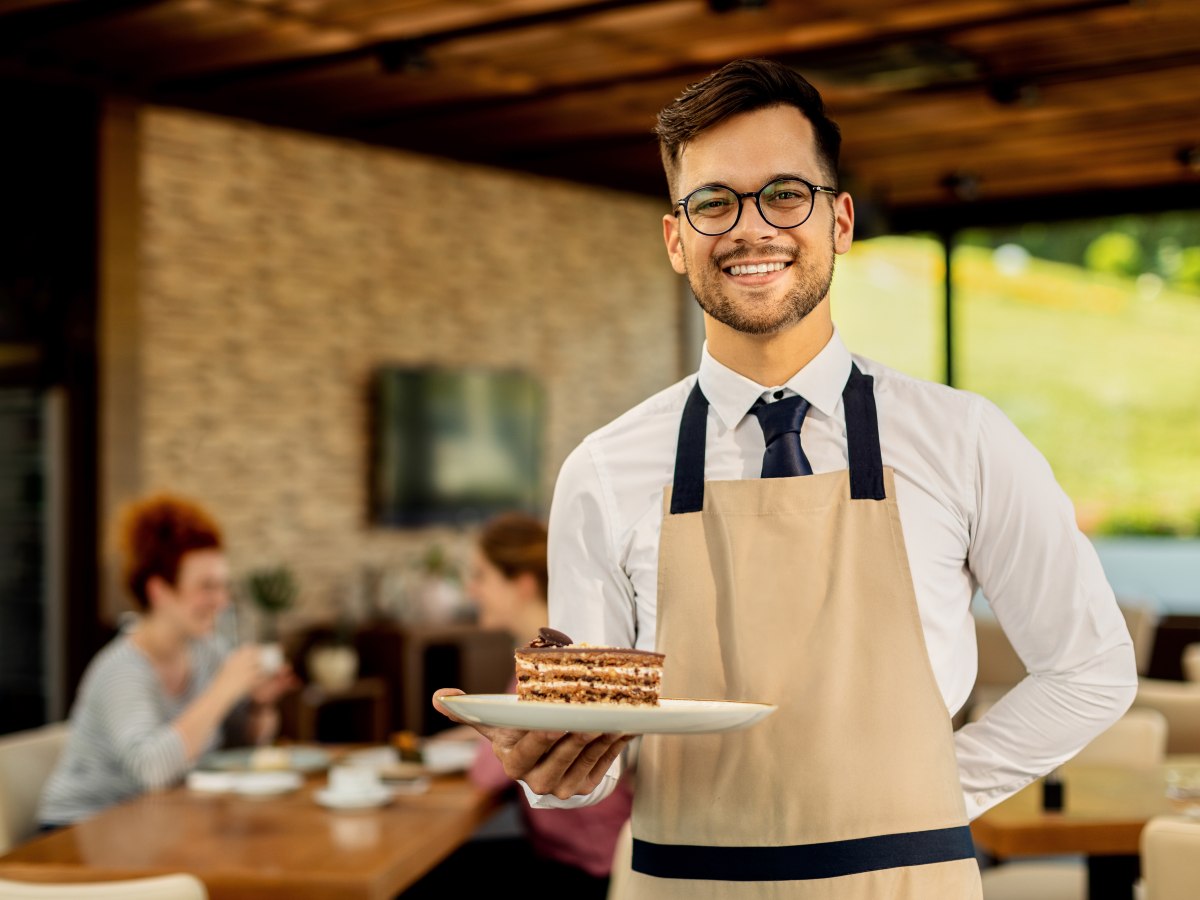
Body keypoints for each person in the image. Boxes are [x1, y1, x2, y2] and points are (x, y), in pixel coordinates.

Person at [434, 58, 1137, 898]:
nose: (751, 228)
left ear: (839, 220)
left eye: (785, 194)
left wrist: (934, 790)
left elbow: (1088, 668)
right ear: (676, 238)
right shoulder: (603, 469)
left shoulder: (966, 440)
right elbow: (591, 756)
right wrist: (551, 768)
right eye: (714, 202)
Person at [407, 512, 632, 899]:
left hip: (587, 871)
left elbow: (487, 772)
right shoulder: (561, 648)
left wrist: (473, 736)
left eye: (481, 576)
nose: (471, 590)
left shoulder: (547, 666)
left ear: (523, 585)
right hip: (580, 856)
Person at [38, 492, 298, 827]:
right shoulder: (120, 669)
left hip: (154, 827)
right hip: (78, 833)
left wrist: (259, 705)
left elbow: (234, 745)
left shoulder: (209, 652)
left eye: (223, 586)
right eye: (206, 587)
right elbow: (153, 771)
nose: (221, 600)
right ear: (158, 590)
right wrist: (223, 690)